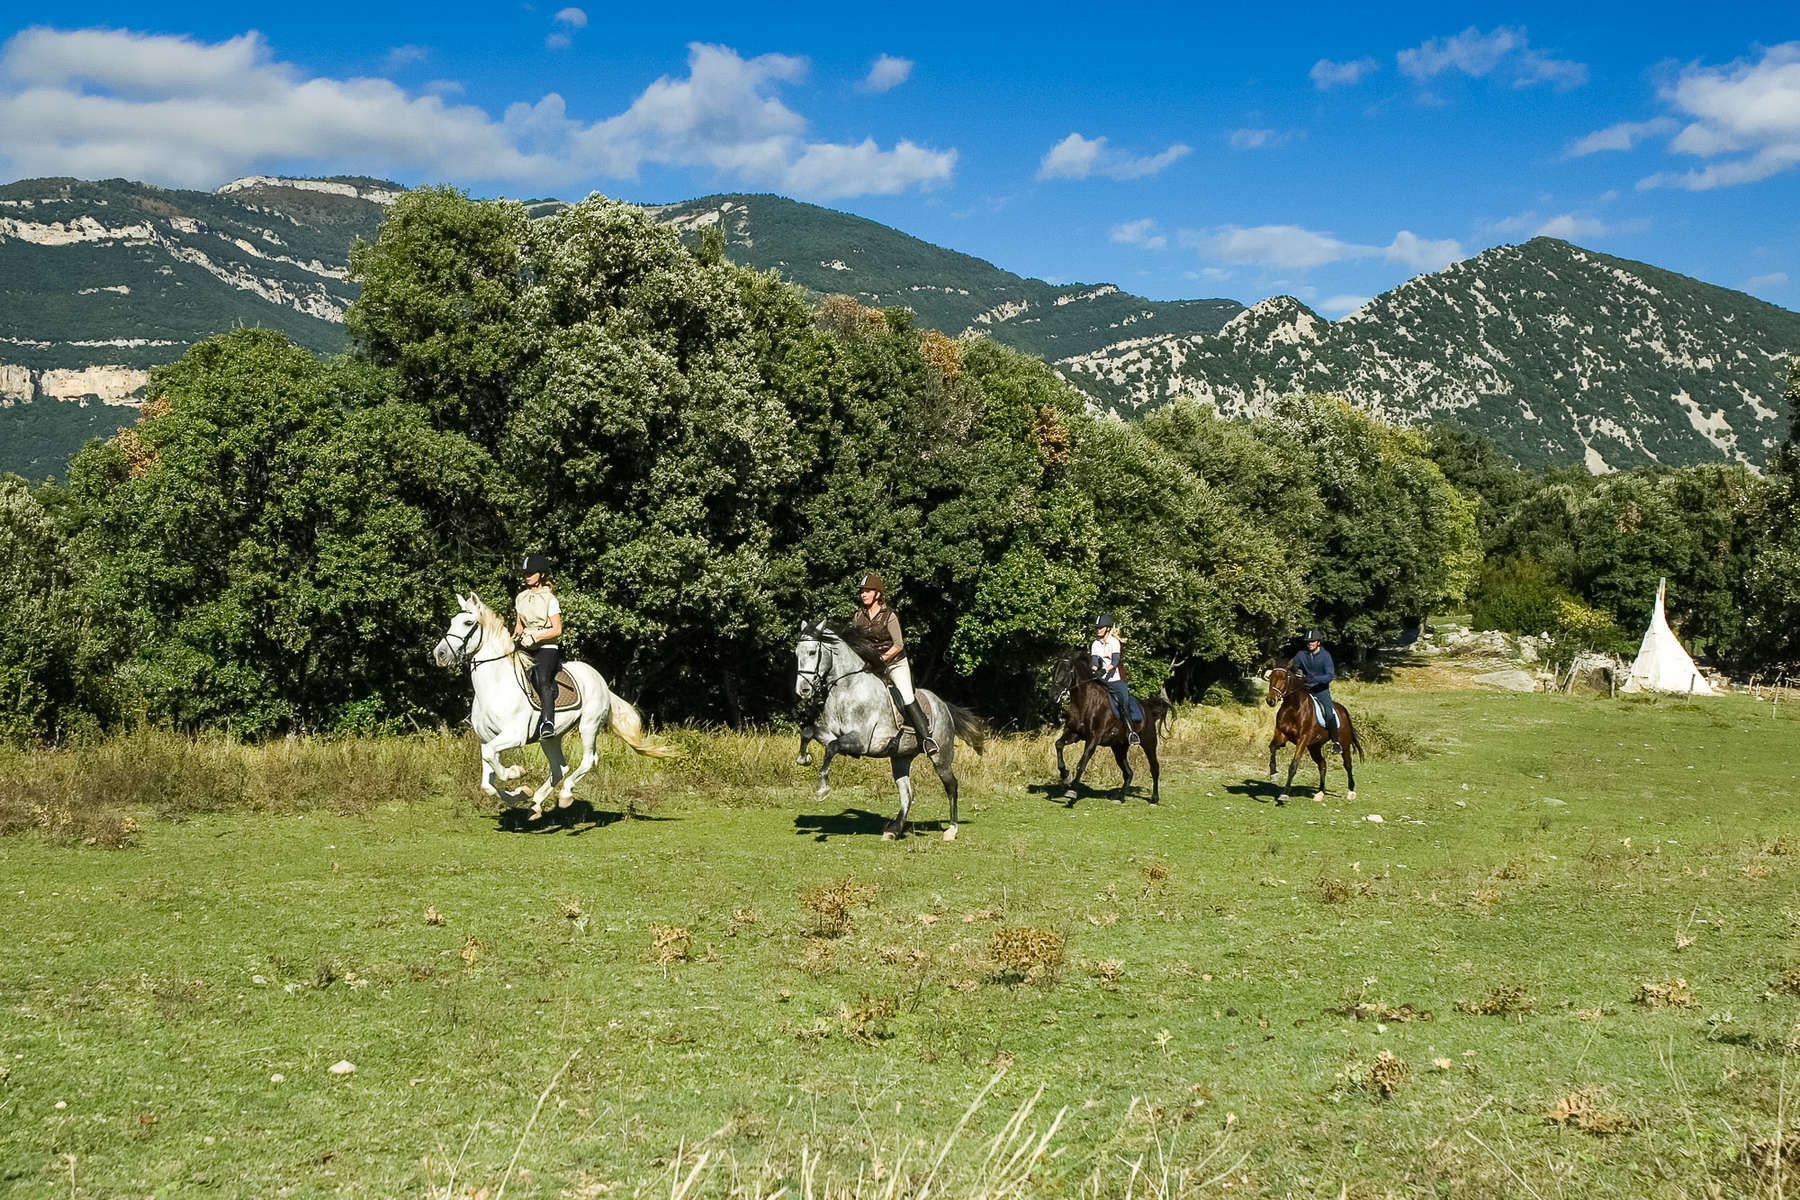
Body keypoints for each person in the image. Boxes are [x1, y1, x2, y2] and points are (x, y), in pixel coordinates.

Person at [852, 572, 938, 755]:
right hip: (871, 665)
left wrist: (881, 659)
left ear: (877, 594)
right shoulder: (858, 616)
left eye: (868, 591)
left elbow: (899, 644)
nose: (863, 594)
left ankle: (927, 739)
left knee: (907, 696)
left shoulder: (889, 615)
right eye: (862, 592)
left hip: (894, 663)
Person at [513, 554, 563, 741]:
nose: (527, 576)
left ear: (541, 575)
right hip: (526, 644)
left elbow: (557, 629)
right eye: (525, 573)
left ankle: (548, 722)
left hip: (546, 647)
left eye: (531, 573)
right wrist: (515, 636)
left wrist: (536, 636)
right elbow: (519, 625)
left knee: (543, 679)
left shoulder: (550, 599)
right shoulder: (521, 598)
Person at [1090, 614, 1144, 746]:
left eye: (1100, 628)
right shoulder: (1095, 644)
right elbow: (1095, 661)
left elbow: (1115, 662)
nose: (1098, 630)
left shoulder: (1114, 642)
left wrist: (1105, 670)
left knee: (1123, 702)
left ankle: (1131, 732)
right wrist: (1094, 669)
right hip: (1101, 680)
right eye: (1097, 628)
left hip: (1116, 679)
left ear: (1107, 628)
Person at [1293, 629, 1341, 754]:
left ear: (1318, 642)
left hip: (1321, 690)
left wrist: (1315, 679)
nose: (1310, 643)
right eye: (1308, 641)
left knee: (1329, 713)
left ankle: (1336, 742)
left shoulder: (1326, 656)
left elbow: (1330, 676)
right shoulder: (1300, 655)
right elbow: (1293, 667)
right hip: (1304, 689)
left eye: (1312, 641)